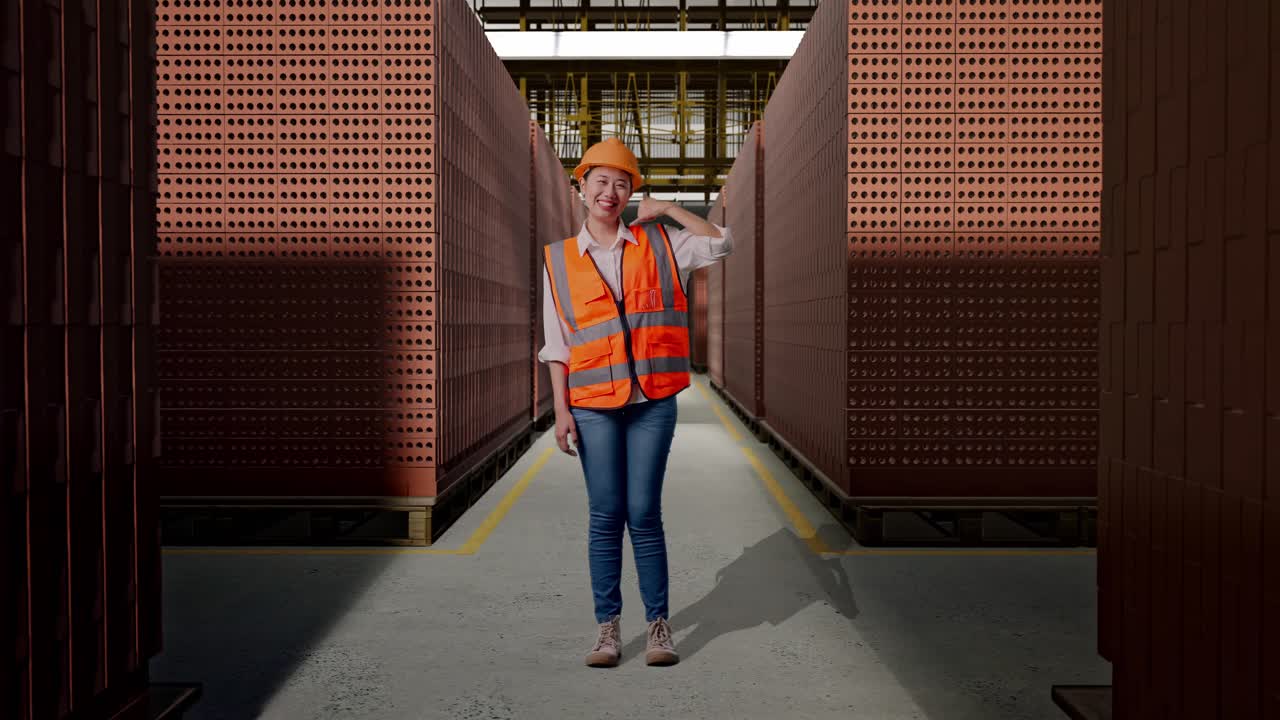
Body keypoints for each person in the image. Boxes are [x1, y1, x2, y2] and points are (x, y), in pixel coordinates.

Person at [537, 138, 734, 667]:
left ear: (632, 193)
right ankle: (607, 628)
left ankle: (658, 627)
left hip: (652, 400)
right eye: (600, 181)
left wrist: (668, 209)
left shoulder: (664, 243)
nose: (610, 191)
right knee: (606, 514)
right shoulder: (557, 261)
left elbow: (722, 243)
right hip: (593, 404)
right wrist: (560, 411)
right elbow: (557, 345)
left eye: (621, 182)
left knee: (644, 512)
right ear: (581, 188)